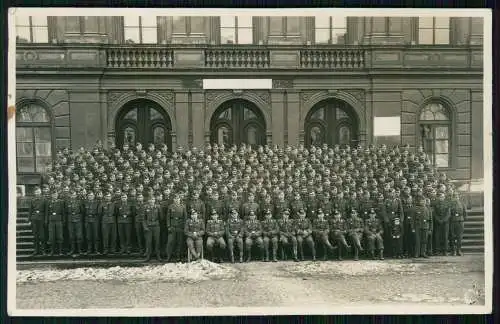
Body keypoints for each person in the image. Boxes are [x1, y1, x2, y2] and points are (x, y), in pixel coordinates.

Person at [166, 194, 187, 262]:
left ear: (180, 199)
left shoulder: (183, 206)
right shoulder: (170, 206)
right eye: (175, 199)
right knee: (171, 242)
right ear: (173, 199)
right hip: (172, 226)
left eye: (178, 199)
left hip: (180, 226)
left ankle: (178, 256)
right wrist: (169, 226)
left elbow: (185, 217)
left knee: (179, 242)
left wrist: (184, 227)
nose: (177, 200)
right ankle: (169, 256)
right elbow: (168, 217)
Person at [28, 186, 46, 256]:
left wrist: (45, 220)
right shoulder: (32, 200)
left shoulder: (44, 199)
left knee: (42, 236)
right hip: (34, 219)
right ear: (34, 193)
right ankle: (36, 250)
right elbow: (30, 210)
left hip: (41, 219)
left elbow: (46, 211)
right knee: (35, 236)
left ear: (40, 192)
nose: (37, 193)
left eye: (38, 191)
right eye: (36, 192)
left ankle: (43, 250)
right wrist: (29, 220)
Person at [46, 191, 65, 256]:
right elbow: (47, 213)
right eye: (53, 195)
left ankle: (60, 251)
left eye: (55, 195)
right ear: (51, 195)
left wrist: (63, 221)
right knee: (51, 236)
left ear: (57, 195)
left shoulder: (61, 202)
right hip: (51, 221)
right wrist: (47, 221)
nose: (54, 196)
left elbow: (63, 212)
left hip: (59, 220)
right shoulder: (49, 202)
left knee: (59, 236)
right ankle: (52, 251)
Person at [143, 197, 162, 262]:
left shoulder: (158, 207)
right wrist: (145, 227)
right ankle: (148, 256)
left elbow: (160, 217)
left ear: (155, 200)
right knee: (149, 242)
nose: (151, 201)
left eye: (153, 199)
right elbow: (144, 219)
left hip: (156, 226)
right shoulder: (146, 207)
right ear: (148, 200)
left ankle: (158, 256)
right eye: (150, 199)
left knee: (157, 241)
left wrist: (157, 224)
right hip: (148, 227)